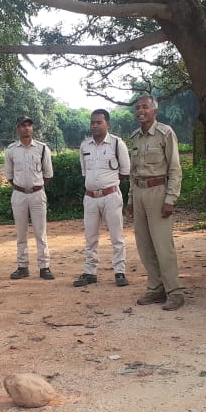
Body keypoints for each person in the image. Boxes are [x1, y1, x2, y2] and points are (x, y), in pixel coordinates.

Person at [128, 95, 184, 310]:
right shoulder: (135, 137)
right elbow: (133, 173)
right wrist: (131, 200)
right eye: (138, 108)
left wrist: (170, 199)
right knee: (144, 245)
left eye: (145, 107)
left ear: (155, 111)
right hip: (139, 192)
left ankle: (175, 292)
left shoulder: (165, 133)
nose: (140, 111)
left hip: (158, 191)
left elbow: (175, 168)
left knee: (162, 245)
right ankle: (156, 288)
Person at [74, 109, 132, 288]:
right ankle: (90, 272)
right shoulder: (85, 146)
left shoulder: (117, 144)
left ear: (108, 124)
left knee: (117, 236)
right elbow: (85, 172)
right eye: (92, 122)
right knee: (90, 236)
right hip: (90, 197)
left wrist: (109, 185)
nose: (95, 125)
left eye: (99, 122)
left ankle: (119, 272)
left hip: (111, 196)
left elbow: (125, 171)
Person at [4, 116, 55, 280]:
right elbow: (9, 176)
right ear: (17, 128)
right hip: (19, 194)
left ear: (32, 128)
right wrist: (21, 187)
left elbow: (48, 174)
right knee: (21, 233)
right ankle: (22, 266)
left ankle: (44, 267)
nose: (26, 128)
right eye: (23, 125)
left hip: (37, 194)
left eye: (29, 125)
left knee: (41, 232)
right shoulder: (11, 150)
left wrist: (36, 186)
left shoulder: (42, 149)